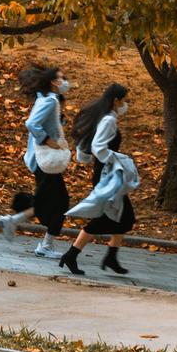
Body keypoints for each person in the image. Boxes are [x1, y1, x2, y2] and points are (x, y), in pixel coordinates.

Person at [58, 83, 138, 276]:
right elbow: (98, 147)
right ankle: (72, 254)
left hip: (106, 172)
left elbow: (86, 147)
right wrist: (118, 158)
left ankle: (109, 256)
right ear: (115, 100)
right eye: (124, 101)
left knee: (121, 216)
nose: (125, 104)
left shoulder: (102, 116)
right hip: (108, 174)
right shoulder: (108, 120)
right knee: (118, 217)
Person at [0, 64, 72, 257]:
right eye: (62, 78)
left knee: (51, 201)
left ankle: (15, 222)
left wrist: (57, 126)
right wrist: (49, 140)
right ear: (53, 82)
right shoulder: (50, 101)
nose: (65, 81)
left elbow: (42, 123)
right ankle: (39, 240)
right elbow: (31, 123)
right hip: (44, 160)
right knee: (60, 202)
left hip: (40, 159)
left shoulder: (45, 98)